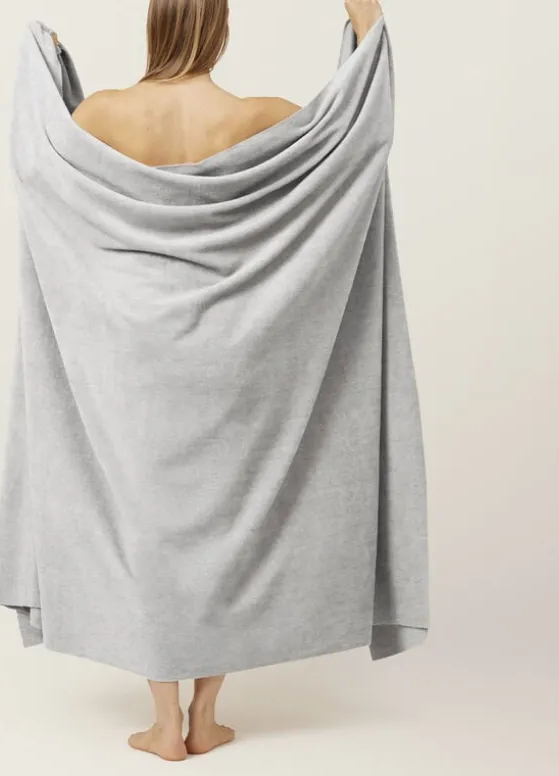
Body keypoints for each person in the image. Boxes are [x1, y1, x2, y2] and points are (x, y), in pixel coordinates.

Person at [52, 0, 385, 761]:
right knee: (228, 520)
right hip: (235, 353)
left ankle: (162, 721)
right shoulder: (261, 116)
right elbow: (352, 136)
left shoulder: (100, 114)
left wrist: (47, 69)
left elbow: (54, 167)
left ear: (155, 24)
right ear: (220, 28)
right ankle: (206, 715)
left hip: (133, 357)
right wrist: (366, 22)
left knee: (147, 523)